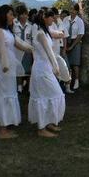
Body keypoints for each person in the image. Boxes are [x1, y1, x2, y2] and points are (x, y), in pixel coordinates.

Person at [0, 5, 33, 139]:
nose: (12, 17)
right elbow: (2, 50)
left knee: (9, 94)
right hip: (4, 68)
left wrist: (35, 49)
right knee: (4, 95)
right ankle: (2, 129)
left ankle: (6, 125)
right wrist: (5, 65)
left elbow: (20, 45)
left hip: (9, 68)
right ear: (3, 15)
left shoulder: (8, 31)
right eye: (10, 14)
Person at [28, 9, 66, 138]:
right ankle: (41, 128)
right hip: (41, 69)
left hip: (46, 68)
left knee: (53, 95)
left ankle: (48, 122)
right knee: (44, 97)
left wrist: (61, 30)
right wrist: (56, 67)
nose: (53, 19)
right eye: (51, 17)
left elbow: (59, 34)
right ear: (44, 17)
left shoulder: (46, 31)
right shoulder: (40, 33)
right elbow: (49, 51)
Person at [63, 4, 85, 91]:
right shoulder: (65, 19)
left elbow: (80, 34)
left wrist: (72, 46)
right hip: (66, 41)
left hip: (75, 42)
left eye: (73, 10)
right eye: (70, 9)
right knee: (65, 62)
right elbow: (62, 30)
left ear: (77, 11)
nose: (72, 11)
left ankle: (76, 81)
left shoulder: (79, 21)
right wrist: (65, 45)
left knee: (75, 63)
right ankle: (67, 81)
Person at [13, 4, 34, 93]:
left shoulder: (30, 26)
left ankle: (29, 88)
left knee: (28, 69)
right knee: (18, 69)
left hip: (28, 50)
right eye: (22, 14)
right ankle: (19, 87)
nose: (24, 16)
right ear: (18, 15)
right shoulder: (14, 25)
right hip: (16, 50)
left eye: (25, 14)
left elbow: (33, 39)